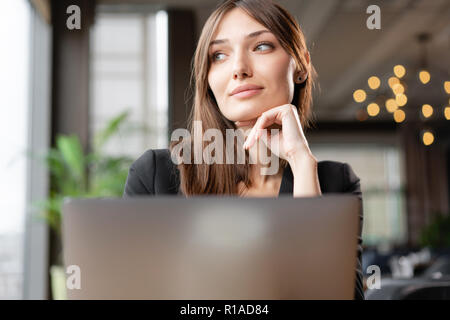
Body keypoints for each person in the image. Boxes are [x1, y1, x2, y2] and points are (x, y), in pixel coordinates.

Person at [123, 0, 364, 300]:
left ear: (300, 66)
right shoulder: (156, 175)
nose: (238, 68)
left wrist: (302, 166)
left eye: (261, 46)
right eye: (219, 55)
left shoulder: (334, 183)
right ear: (208, 79)